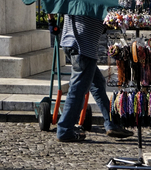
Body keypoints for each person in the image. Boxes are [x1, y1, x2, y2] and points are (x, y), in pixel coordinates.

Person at [51, 14, 132, 142]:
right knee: (78, 88)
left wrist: (51, 21)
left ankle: (111, 123)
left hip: (72, 42)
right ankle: (64, 129)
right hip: (83, 46)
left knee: (97, 83)